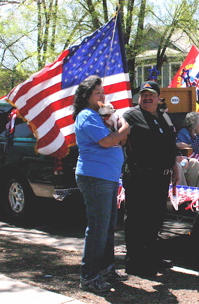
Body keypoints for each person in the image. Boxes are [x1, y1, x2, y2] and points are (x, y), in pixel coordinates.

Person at [73, 75, 130, 292]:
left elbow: (119, 139)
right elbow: (108, 141)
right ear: (86, 96)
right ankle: (88, 277)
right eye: (97, 93)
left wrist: (119, 125)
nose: (102, 96)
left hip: (108, 177)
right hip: (95, 177)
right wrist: (124, 128)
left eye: (102, 92)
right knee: (98, 228)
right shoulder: (86, 116)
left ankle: (106, 269)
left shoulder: (100, 116)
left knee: (107, 227)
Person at [122, 80, 180, 276]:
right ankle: (135, 262)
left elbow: (170, 145)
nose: (147, 98)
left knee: (155, 219)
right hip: (140, 176)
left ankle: (151, 256)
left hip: (161, 176)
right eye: (143, 95)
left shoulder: (164, 117)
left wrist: (176, 168)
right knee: (137, 219)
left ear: (158, 98)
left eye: (151, 95)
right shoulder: (130, 116)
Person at [175, 112, 199, 187]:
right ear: (194, 124)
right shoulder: (184, 133)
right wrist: (192, 146)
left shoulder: (198, 136)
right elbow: (180, 145)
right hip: (186, 163)